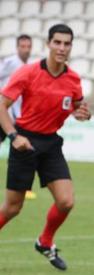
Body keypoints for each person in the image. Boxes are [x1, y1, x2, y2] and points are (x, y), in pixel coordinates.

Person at [0, 24, 91, 270]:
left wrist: (82, 114)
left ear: (71, 46)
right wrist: (13, 136)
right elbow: (2, 106)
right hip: (25, 142)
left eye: (66, 43)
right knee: (12, 207)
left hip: (51, 143)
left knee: (66, 201)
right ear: (48, 44)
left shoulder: (73, 79)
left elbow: (76, 107)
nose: (62, 48)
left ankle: (45, 241)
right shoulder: (28, 73)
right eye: (57, 42)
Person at [0, 34, 37, 200]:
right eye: (23, 46)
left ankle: (21, 188)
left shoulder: (28, 66)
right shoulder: (11, 63)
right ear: (17, 47)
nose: (26, 49)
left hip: (18, 116)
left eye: (28, 46)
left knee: (21, 151)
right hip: (4, 114)